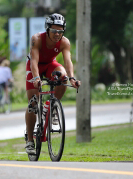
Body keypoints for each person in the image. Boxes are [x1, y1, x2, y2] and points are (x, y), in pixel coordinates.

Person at [25, 13, 81, 154]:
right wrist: (37, 78)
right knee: (32, 103)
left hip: (50, 64)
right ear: (47, 29)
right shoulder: (37, 39)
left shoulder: (65, 42)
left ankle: (50, 106)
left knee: (63, 77)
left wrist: (72, 78)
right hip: (35, 66)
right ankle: (30, 141)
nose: (57, 34)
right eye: (54, 31)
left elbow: (68, 61)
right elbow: (33, 62)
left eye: (60, 31)